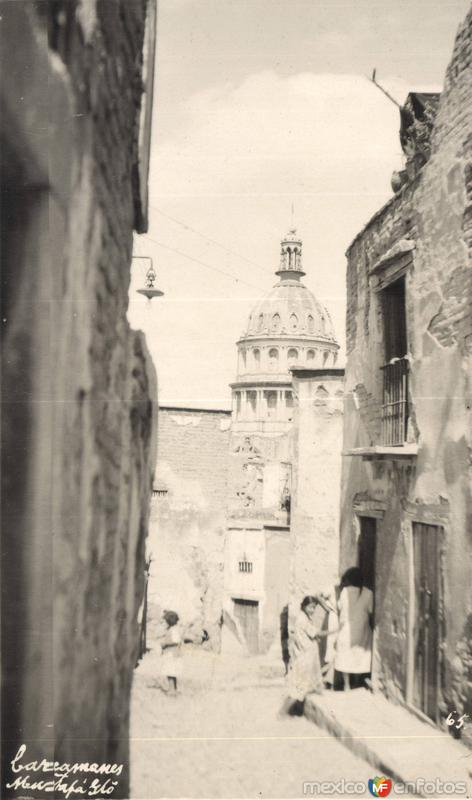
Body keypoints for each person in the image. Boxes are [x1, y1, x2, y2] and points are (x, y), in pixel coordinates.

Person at [281, 595, 337, 715]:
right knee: (299, 687)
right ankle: (284, 712)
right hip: (306, 656)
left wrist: (315, 638)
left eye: (314, 608)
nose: (312, 610)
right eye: (311, 607)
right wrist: (335, 630)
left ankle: (295, 711)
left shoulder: (303, 617)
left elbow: (308, 634)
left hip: (306, 654)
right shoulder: (303, 619)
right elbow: (317, 632)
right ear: (305, 606)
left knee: (303, 686)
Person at [334, 567, 374, 690]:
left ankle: (346, 684)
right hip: (361, 629)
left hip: (347, 628)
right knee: (360, 654)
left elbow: (339, 607)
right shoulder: (368, 593)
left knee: (345, 654)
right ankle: (357, 682)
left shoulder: (344, 591)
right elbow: (371, 610)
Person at [157, 610, 183, 694]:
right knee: (172, 672)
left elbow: (176, 641)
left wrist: (165, 644)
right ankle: (174, 689)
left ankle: (172, 690)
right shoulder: (173, 629)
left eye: (166, 621)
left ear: (169, 621)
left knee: (170, 672)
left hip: (171, 654)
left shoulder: (173, 630)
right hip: (172, 653)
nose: (165, 622)